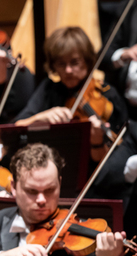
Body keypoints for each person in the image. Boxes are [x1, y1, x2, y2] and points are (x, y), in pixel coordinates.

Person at [14, 26, 128, 165]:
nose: (68, 70)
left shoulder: (108, 96)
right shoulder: (49, 89)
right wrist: (40, 117)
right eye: (61, 64)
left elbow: (115, 160)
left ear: (87, 61)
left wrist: (97, 142)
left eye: (74, 62)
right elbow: (16, 127)